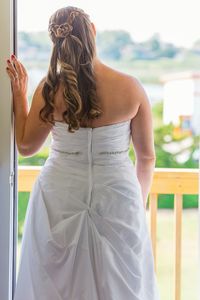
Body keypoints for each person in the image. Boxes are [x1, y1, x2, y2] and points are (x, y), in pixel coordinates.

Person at [6, 5, 160, 300]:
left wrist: (19, 95)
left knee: (55, 283)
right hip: (117, 196)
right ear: (92, 32)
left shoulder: (49, 90)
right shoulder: (130, 88)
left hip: (59, 195)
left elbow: (26, 147)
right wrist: (135, 201)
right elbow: (147, 157)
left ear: (56, 43)